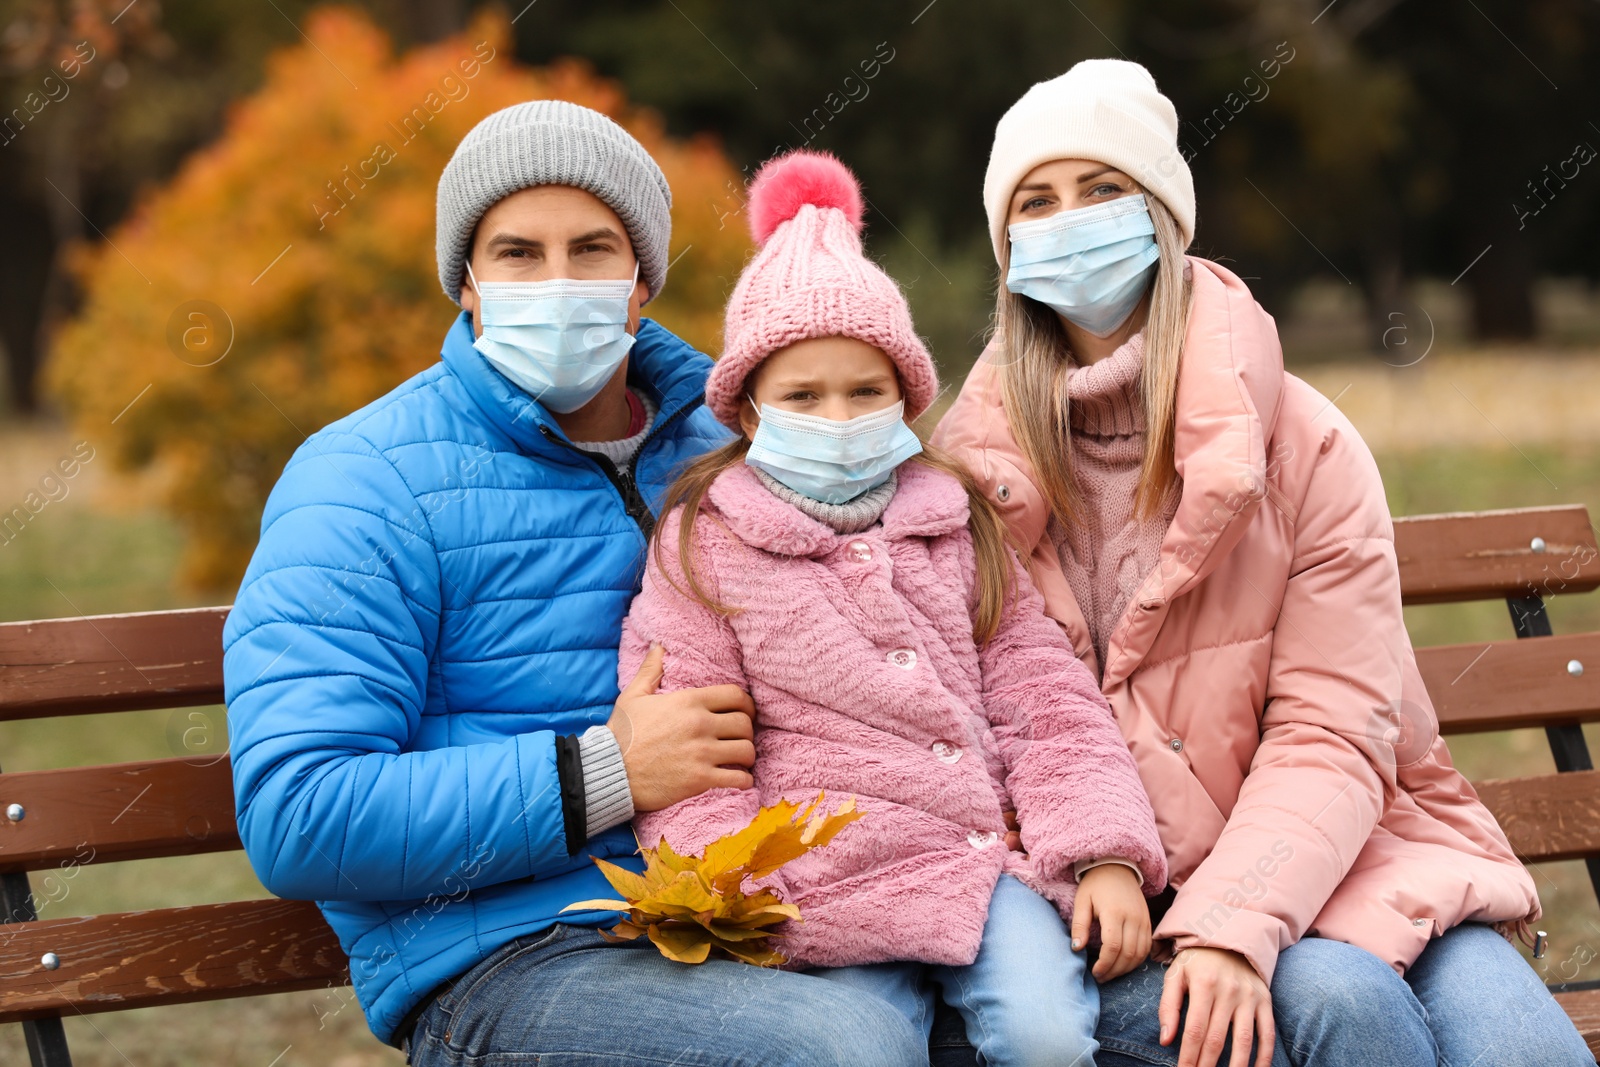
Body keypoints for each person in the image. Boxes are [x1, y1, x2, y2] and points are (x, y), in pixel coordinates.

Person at [223, 100, 932, 1067]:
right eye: (517, 254)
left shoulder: (742, 449)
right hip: (517, 958)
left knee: (1130, 1015)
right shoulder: (363, 478)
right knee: (846, 1050)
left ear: (641, 281)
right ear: (466, 284)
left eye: (593, 249)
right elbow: (300, 813)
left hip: (783, 906)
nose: (558, 282)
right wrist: (603, 774)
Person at [932, 59, 1594, 1067]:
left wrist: (1238, 911)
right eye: (1036, 200)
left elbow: (1335, 725)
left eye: (1103, 189)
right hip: (1117, 890)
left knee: (1525, 1052)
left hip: (1357, 840)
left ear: (1161, 212)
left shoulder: (1302, 442)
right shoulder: (973, 471)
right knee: (1344, 1004)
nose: (1068, 220)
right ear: (1007, 245)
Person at [621, 150, 1169, 1067]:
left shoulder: (957, 526)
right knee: (854, 1049)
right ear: (749, 411)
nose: (838, 417)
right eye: (803, 395)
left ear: (906, 396)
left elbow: (1047, 702)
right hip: (816, 894)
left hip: (976, 866)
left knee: (1045, 1033)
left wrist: (1103, 853)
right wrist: (734, 896)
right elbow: (691, 759)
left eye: (865, 391)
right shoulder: (701, 547)